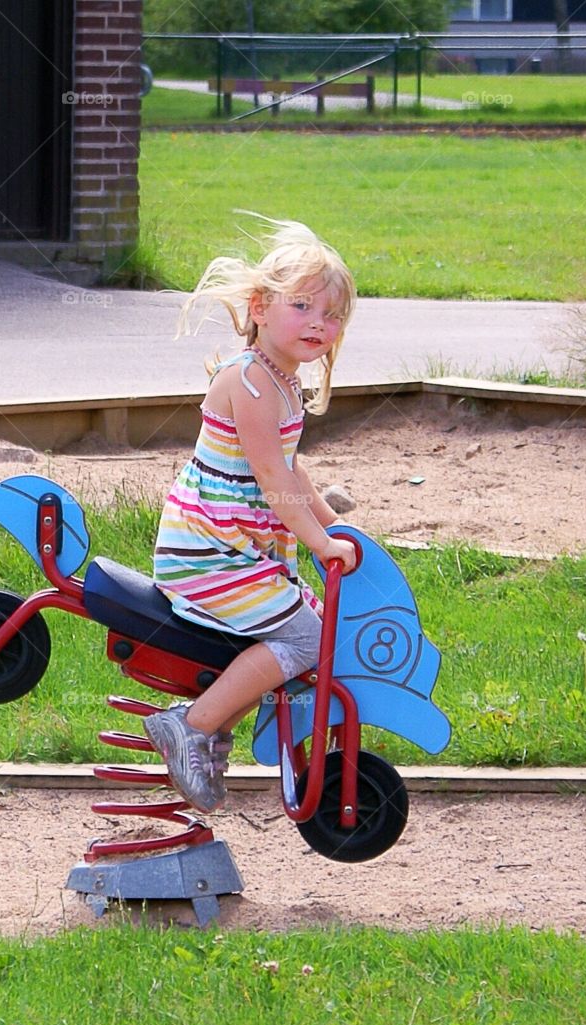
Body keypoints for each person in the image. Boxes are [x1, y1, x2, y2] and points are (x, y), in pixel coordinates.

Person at [144, 216, 358, 813]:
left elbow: (293, 469)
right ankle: (193, 725)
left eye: (333, 315)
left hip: (233, 551)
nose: (320, 323)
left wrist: (331, 529)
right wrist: (318, 543)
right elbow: (269, 477)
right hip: (207, 554)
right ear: (260, 307)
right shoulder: (250, 382)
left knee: (311, 630)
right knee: (307, 636)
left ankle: (207, 727)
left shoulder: (282, 380)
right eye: (304, 307)